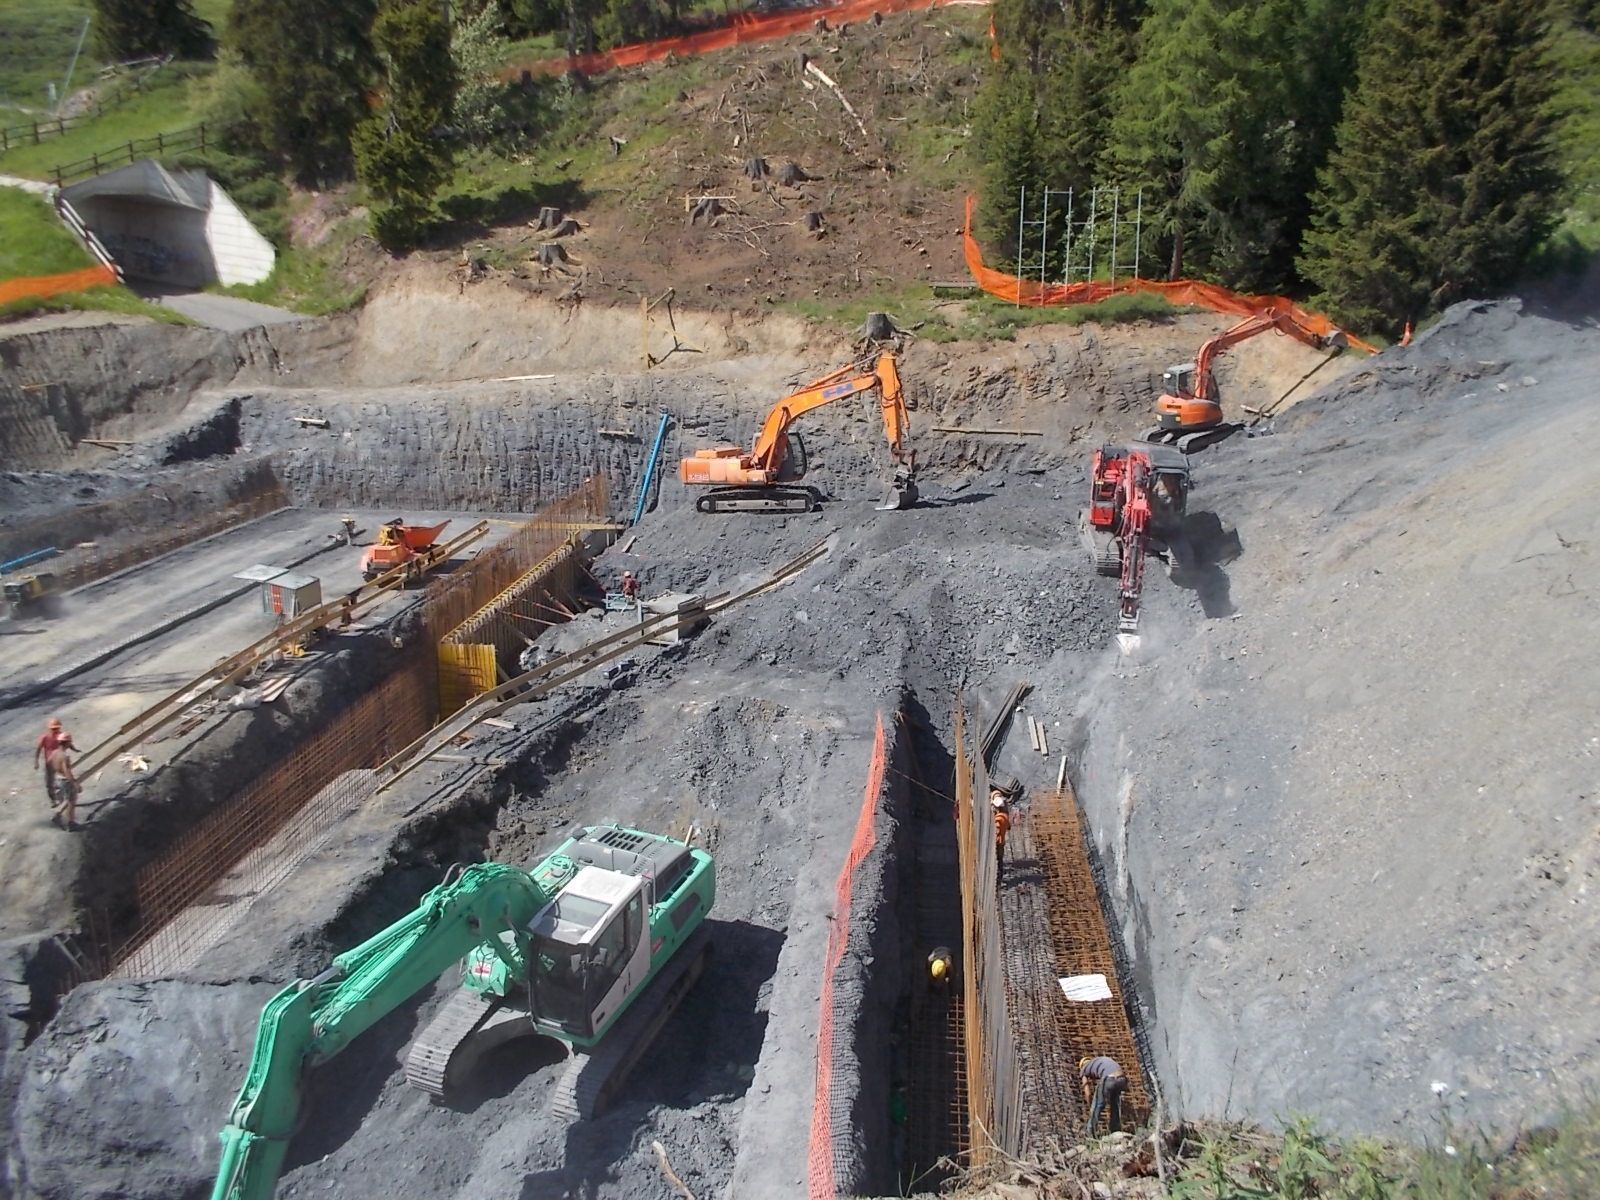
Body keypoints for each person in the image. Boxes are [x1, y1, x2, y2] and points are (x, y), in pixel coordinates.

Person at [1079, 1055, 1129, 1135]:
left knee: (1097, 1105)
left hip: (1109, 1079)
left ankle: (1089, 1132)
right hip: (1122, 1079)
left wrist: (1091, 1106)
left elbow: (1088, 1093)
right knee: (1115, 1104)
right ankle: (1115, 1129)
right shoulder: (1099, 1060)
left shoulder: (1084, 1068)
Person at [46, 738, 80, 831]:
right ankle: (70, 823)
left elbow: (48, 763)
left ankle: (58, 816)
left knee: (67, 800)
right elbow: (67, 771)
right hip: (66, 780)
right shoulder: (64, 756)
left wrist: (51, 775)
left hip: (58, 778)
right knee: (71, 801)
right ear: (67, 743)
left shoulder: (54, 752)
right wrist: (75, 783)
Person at [34, 718, 68, 807]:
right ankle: (53, 799)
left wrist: (74, 749)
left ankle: (65, 796)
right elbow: (38, 749)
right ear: (49, 728)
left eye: (57, 728)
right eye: (53, 729)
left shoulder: (61, 736)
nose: (55, 730)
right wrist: (36, 761)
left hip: (59, 762)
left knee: (64, 779)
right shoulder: (44, 737)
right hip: (49, 763)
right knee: (49, 782)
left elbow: (68, 743)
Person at [992, 794, 1011, 887]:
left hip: (998, 842)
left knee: (998, 861)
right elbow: (1008, 827)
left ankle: (998, 881)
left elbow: (997, 830)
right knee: (1000, 861)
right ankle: (1000, 878)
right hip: (1002, 842)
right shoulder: (1005, 816)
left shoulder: (998, 818)